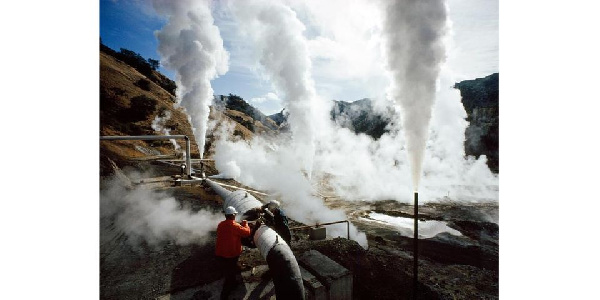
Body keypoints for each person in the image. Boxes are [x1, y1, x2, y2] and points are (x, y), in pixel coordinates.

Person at [215, 206, 251, 300]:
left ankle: (232, 281)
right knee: (230, 272)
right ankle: (226, 293)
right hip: (231, 253)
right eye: (235, 215)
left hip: (220, 252)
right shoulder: (235, 226)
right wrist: (245, 224)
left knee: (228, 268)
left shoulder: (220, 224)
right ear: (233, 215)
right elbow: (247, 233)